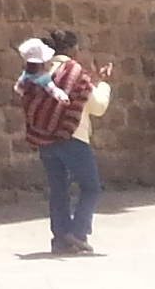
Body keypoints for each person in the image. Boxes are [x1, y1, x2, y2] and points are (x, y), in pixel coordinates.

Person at [13, 37, 101, 257]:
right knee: (91, 187)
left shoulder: (37, 74)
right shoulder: (74, 72)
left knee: (58, 189)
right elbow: (97, 106)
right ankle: (78, 233)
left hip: (44, 140)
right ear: (72, 49)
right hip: (72, 138)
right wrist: (104, 84)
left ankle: (60, 239)